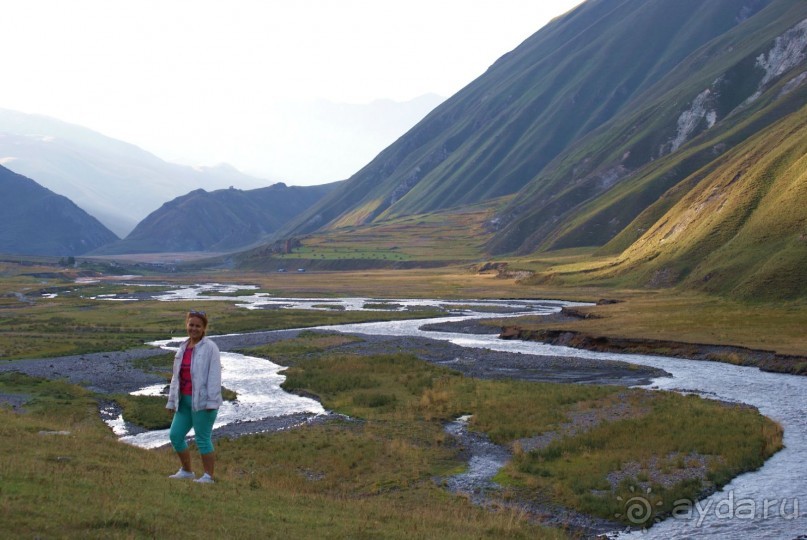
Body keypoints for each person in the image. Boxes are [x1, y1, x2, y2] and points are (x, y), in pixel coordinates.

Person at [165, 310, 222, 483]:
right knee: (175, 435)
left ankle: (208, 476)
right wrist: (171, 401)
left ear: (204, 328)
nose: (194, 328)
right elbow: (176, 377)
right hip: (183, 401)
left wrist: (211, 402)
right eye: (191, 325)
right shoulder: (182, 348)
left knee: (202, 439)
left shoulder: (210, 348)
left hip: (204, 402)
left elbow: (214, 376)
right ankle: (187, 471)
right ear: (187, 325)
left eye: (198, 326)